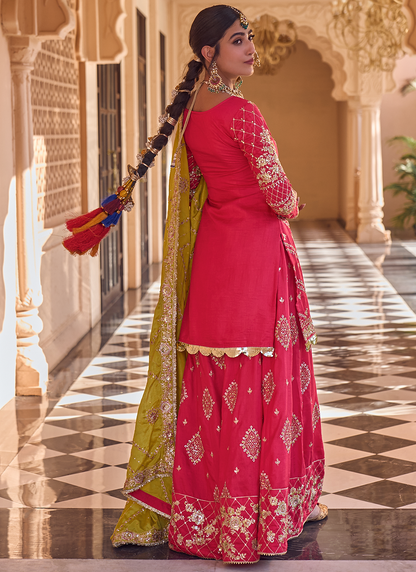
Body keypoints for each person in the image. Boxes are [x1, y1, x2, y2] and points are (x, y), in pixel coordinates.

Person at [111, 5, 326, 564]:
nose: (250, 47)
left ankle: (209, 519)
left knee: (215, 382)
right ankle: (255, 518)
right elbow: (279, 196)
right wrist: (295, 203)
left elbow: (203, 186)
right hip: (255, 259)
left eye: (249, 37)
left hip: (213, 261)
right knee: (259, 381)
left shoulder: (191, 118)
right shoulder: (243, 113)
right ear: (210, 54)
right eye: (238, 40)